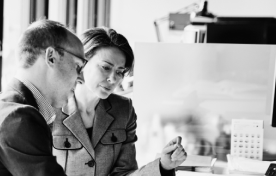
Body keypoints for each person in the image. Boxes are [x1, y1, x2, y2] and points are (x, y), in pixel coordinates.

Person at [50, 27, 187, 176]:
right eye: (105, 67)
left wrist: (163, 166)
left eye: (120, 72)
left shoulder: (123, 110)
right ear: (81, 63)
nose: (113, 79)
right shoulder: (49, 108)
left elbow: (124, 173)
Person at [0, 20, 86, 176]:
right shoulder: (18, 118)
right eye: (78, 66)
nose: (81, 79)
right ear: (51, 57)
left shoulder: (7, 104)